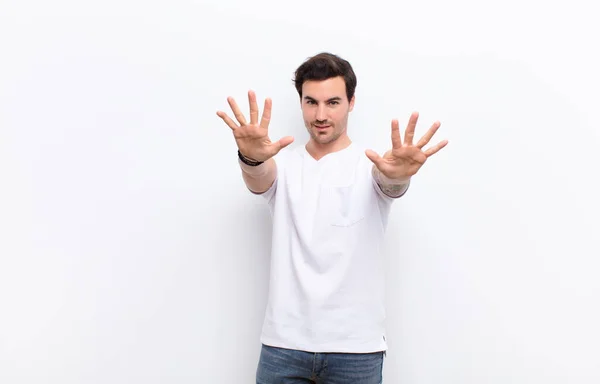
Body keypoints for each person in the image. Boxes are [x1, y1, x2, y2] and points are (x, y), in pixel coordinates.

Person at [216, 52, 448, 384]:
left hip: (356, 350)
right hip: (284, 346)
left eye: (333, 102)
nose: (321, 115)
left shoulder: (371, 166)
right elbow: (259, 179)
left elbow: (390, 185)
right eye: (311, 102)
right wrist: (250, 159)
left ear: (352, 102)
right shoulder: (285, 165)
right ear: (301, 104)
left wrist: (398, 177)